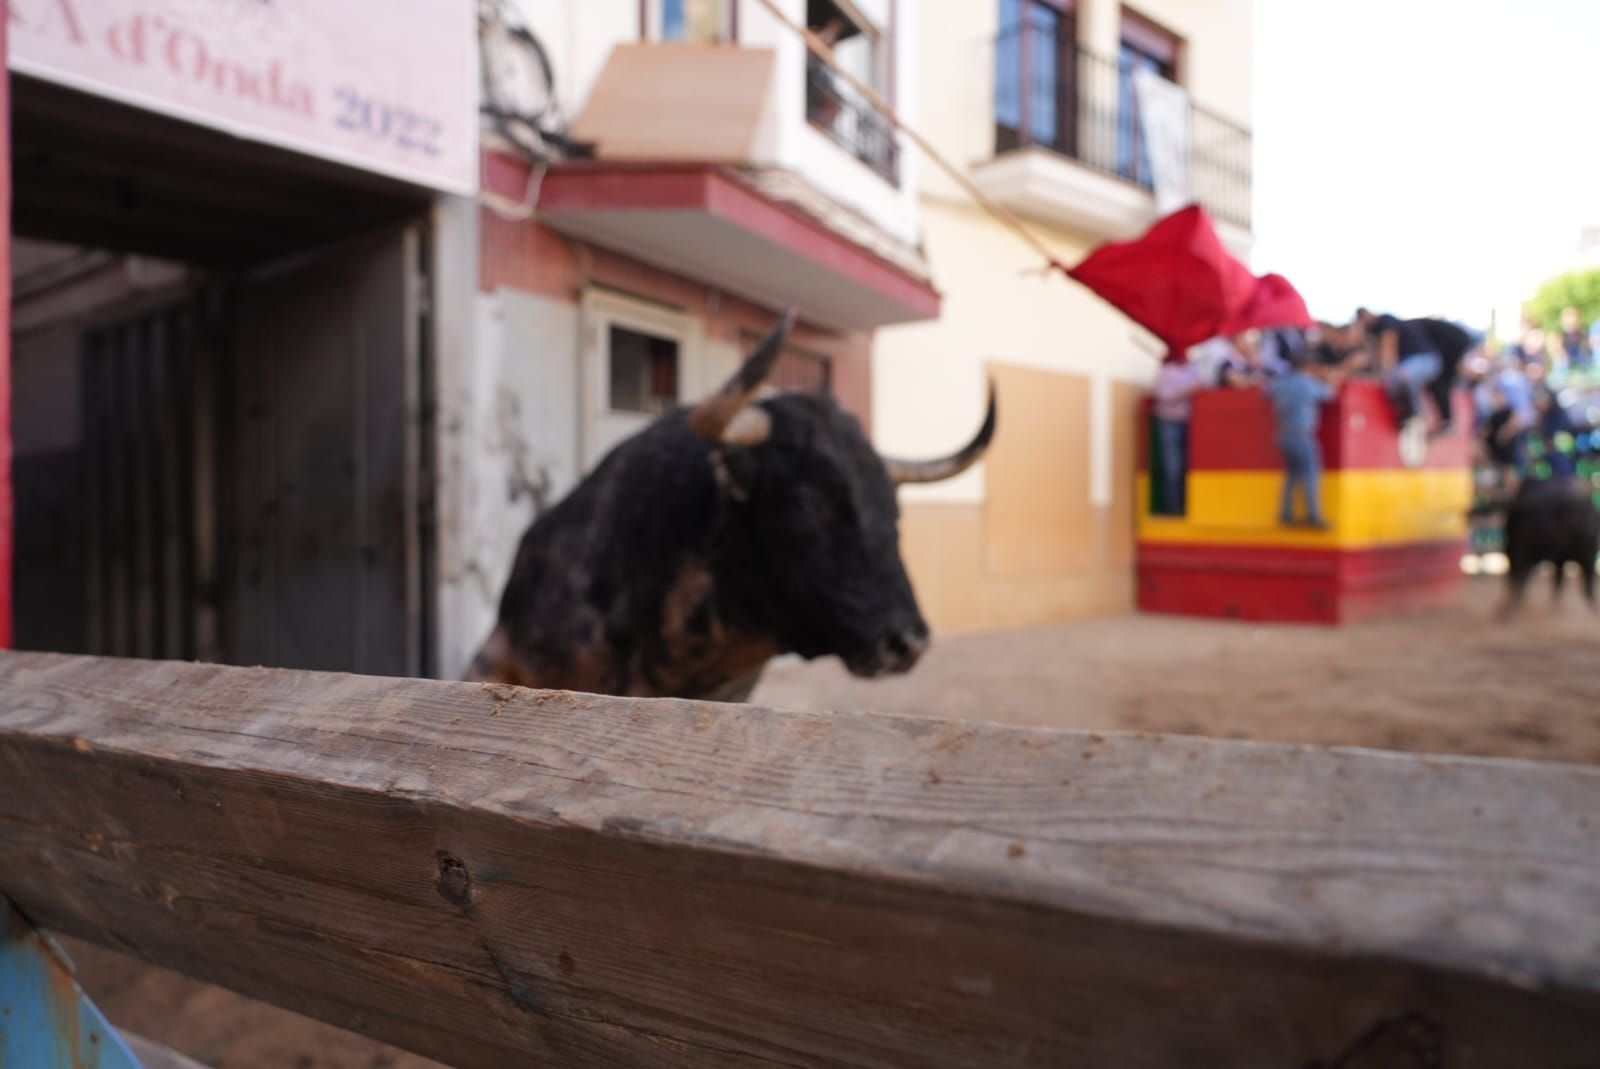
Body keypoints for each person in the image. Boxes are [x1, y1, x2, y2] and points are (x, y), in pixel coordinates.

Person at [1266, 348, 1343, 529]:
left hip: (1283, 435)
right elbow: (1330, 394)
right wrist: (1333, 377)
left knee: (1292, 475)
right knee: (1310, 474)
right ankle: (1314, 516)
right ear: (1308, 366)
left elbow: (1266, 392)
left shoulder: (1281, 382)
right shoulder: (1307, 383)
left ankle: (1286, 512)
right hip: (1302, 434)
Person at [1355, 308, 1442, 426]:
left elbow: (1389, 348)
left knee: (1401, 377)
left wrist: (1383, 375)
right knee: (1400, 379)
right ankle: (1415, 418)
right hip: (1412, 362)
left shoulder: (1386, 320)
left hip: (1425, 359)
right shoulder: (1373, 330)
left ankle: (1413, 416)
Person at [1151, 357, 1205, 515]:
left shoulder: (1193, 368)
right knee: (1172, 467)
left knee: (1187, 467)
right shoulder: (1166, 370)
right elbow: (1164, 395)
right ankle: (1172, 509)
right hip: (1168, 422)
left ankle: (1184, 506)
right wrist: (1188, 390)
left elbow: (1202, 384)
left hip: (1189, 423)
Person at [1559, 307, 1590, 371]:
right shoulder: (1560, 336)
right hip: (1566, 365)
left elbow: (1586, 350)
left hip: (1582, 364)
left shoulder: (1583, 334)